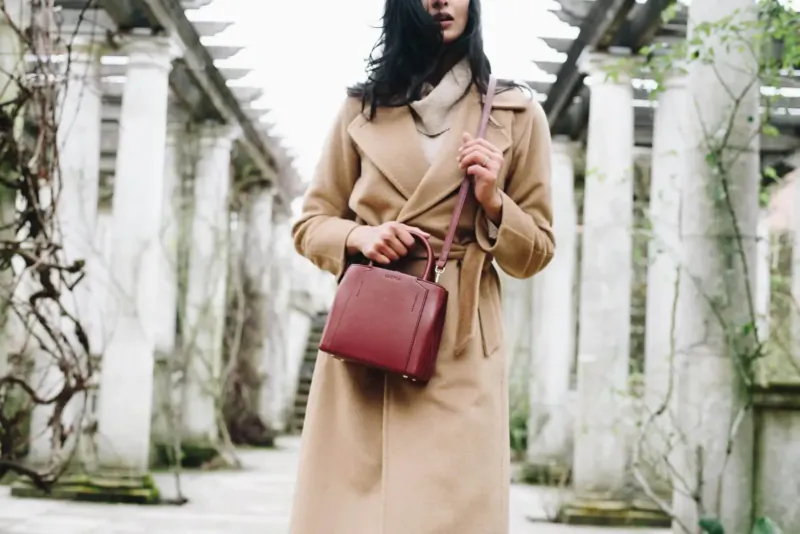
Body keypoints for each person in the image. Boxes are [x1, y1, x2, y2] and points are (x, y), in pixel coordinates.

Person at [288, 0, 555, 532]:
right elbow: (311, 224)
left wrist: (494, 201)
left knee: (448, 510)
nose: (440, 1)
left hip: (458, 341)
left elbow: (538, 251)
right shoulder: (361, 109)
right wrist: (360, 236)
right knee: (356, 512)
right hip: (369, 336)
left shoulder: (516, 114)